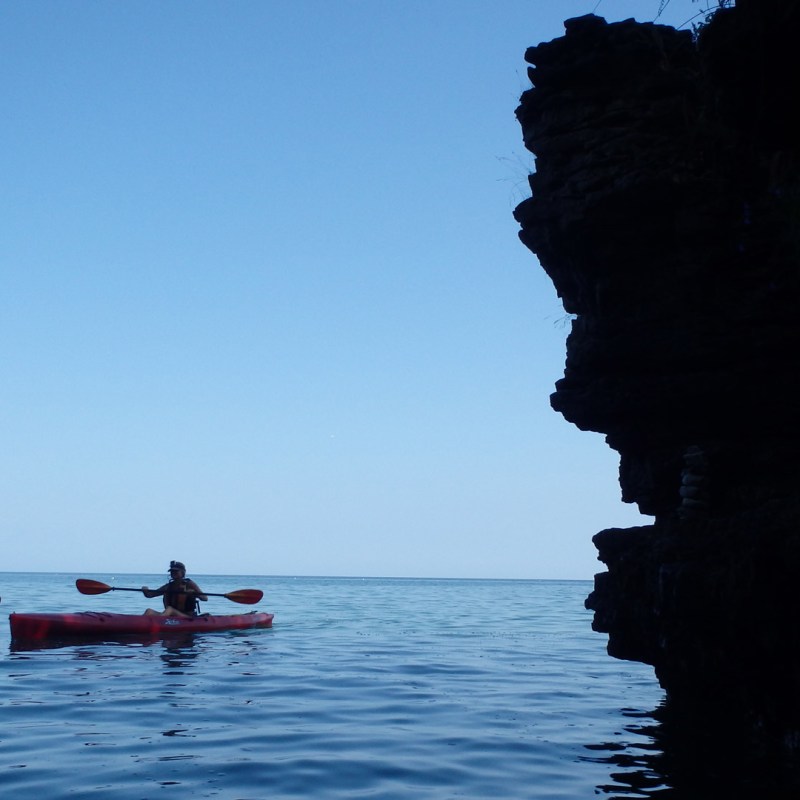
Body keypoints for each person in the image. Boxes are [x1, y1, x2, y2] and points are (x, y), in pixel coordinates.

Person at [142, 561, 208, 618]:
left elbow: (205, 598)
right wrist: (145, 591)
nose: (173, 573)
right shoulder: (168, 586)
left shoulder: (189, 584)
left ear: (182, 572)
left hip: (187, 616)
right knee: (149, 611)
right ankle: (140, 623)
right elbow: (150, 595)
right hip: (171, 616)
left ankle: (159, 622)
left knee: (170, 609)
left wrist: (194, 593)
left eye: (176, 571)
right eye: (172, 571)